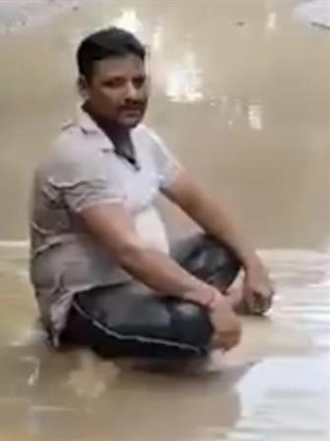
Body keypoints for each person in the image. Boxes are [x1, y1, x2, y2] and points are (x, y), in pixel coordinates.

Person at [29, 28, 275, 359]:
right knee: (200, 328)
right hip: (88, 298)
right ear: (84, 89)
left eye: (139, 81)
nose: (132, 94)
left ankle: (175, 308)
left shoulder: (142, 139)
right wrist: (212, 299)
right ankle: (182, 315)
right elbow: (129, 252)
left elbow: (199, 203)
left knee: (224, 249)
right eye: (114, 84)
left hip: (142, 280)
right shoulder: (78, 156)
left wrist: (254, 264)